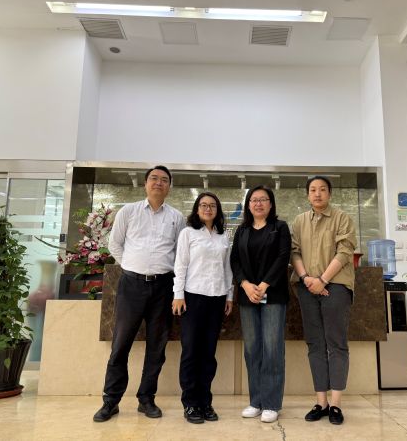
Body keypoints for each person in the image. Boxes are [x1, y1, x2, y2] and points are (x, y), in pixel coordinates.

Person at [93, 165, 185, 423]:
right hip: (131, 286)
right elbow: (114, 244)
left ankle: (146, 399)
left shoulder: (177, 217)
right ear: (145, 184)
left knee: (157, 346)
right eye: (154, 178)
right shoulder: (129, 211)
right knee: (120, 345)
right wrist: (132, 267)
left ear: (169, 187)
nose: (158, 183)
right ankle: (111, 401)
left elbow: (181, 253)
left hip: (164, 287)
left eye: (164, 180)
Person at [291, 175, 357, 425]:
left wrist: (323, 280)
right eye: (312, 190)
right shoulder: (299, 221)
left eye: (322, 189)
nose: (317, 194)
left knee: (336, 343)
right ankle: (321, 402)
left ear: (329, 193)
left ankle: (336, 404)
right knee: (315, 344)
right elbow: (294, 252)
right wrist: (307, 278)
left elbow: (345, 251)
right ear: (308, 194)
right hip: (307, 286)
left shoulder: (342, 218)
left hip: (336, 286)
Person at [230, 185, 291, 423]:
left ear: (271, 204)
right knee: (252, 348)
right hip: (248, 296)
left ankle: (272, 403)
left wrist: (264, 285)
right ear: (248, 205)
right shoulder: (242, 230)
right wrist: (245, 284)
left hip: (273, 295)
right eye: (253, 200)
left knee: (272, 348)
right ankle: (256, 401)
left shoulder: (280, 227)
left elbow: (283, 257)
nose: (258, 203)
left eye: (263, 199)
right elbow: (235, 260)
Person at [172, 192, 234, 424]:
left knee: (209, 354)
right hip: (192, 297)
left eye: (212, 205)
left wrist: (229, 296)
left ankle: (205, 402)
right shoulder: (188, 233)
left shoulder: (223, 236)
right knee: (191, 352)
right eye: (203, 205)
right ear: (197, 209)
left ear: (217, 210)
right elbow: (180, 265)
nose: (208, 209)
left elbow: (227, 269)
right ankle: (190, 403)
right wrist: (178, 295)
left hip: (217, 298)